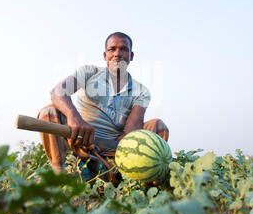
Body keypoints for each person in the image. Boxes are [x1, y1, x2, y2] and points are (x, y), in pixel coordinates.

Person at [37, 32, 169, 181]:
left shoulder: (141, 91)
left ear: (131, 56)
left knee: (158, 126)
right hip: (77, 143)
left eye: (123, 49)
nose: (117, 54)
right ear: (105, 55)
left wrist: (117, 146)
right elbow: (57, 92)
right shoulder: (88, 72)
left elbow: (131, 133)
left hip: (111, 153)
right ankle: (61, 177)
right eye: (112, 49)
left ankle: (142, 178)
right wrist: (74, 117)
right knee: (49, 112)